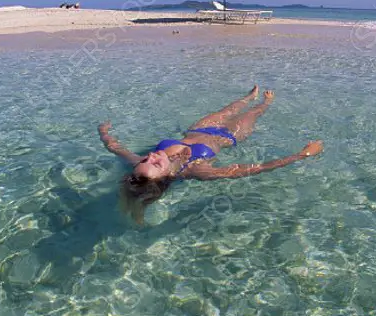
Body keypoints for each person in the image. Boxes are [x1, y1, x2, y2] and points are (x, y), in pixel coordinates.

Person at [98, 86, 323, 223]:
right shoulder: (197, 170)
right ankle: (265, 101)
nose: (151, 156)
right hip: (228, 136)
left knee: (229, 109)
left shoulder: (141, 163)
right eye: (155, 163)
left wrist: (103, 132)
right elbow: (255, 169)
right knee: (254, 113)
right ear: (165, 176)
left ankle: (248, 96)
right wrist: (301, 155)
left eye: (146, 159)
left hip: (198, 129)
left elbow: (115, 148)